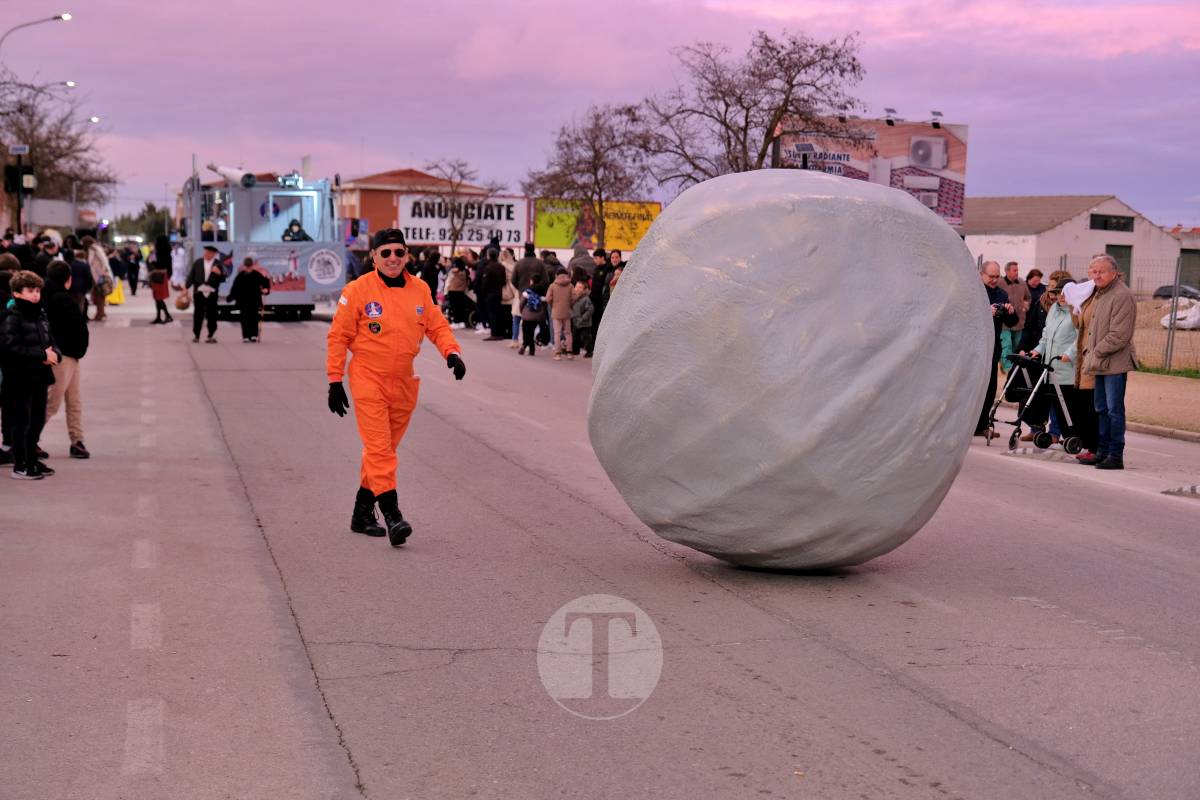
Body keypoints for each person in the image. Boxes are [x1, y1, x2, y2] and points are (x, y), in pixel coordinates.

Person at [326, 229, 465, 546]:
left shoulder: (420, 289)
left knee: (383, 451)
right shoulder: (357, 290)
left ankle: (361, 513)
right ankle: (392, 515)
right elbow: (338, 337)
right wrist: (335, 380)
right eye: (385, 253)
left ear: (406, 255)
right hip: (368, 379)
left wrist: (452, 353)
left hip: (403, 382)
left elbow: (437, 325)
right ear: (373, 256)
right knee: (379, 450)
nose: (393, 258)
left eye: (399, 252)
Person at [1078, 254, 1137, 470]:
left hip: (1114, 362)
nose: (1096, 276)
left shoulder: (1122, 295)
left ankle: (1115, 454)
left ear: (1114, 273)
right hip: (1100, 362)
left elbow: (1119, 335)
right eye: (1093, 272)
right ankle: (1102, 451)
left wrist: (1095, 352)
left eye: (1101, 272)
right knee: (1101, 408)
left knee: (1114, 410)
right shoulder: (1100, 294)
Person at [0, 271, 59, 479]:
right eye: (30, 291)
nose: (35, 295)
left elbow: (50, 340)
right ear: (16, 293)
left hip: (40, 375)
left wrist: (55, 354)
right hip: (20, 377)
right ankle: (20, 465)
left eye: (37, 291)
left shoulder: (40, 314)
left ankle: (32, 459)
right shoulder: (11, 317)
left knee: (37, 419)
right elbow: (10, 347)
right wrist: (42, 354)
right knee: (22, 421)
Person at [42, 260, 91, 459]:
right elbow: (75, 327)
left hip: (67, 354)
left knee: (73, 399)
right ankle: (27, 439)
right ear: (68, 280)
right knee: (52, 402)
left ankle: (77, 439)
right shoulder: (62, 299)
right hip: (64, 356)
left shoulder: (46, 296)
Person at [975, 261, 1017, 436]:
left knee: (990, 388)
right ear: (981, 275)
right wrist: (986, 311)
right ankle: (967, 426)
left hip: (993, 347)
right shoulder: (974, 292)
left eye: (997, 276)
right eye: (991, 276)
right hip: (974, 347)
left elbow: (1011, 323)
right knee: (973, 387)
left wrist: (1010, 312)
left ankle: (982, 425)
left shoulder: (1002, 294)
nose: (994, 280)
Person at [186, 244, 225, 343]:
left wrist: (219, 273)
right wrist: (186, 287)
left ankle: (211, 335)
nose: (206, 254)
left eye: (209, 252)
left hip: (212, 292)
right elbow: (191, 276)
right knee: (198, 314)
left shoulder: (218, 264)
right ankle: (196, 335)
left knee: (212, 314)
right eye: (206, 252)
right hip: (199, 291)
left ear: (214, 254)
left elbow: (223, 278)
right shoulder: (198, 262)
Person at [228, 257, 271, 342]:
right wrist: (231, 297)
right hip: (243, 300)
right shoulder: (240, 276)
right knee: (244, 318)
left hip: (254, 300)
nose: (248, 268)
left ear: (252, 266)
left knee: (254, 318)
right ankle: (246, 336)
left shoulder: (257, 275)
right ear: (244, 266)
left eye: (250, 266)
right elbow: (235, 288)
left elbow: (265, 283)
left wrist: (266, 289)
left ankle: (254, 335)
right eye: (247, 266)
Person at [999, 261, 1031, 373]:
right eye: (1014, 270)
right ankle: (1007, 368)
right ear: (1007, 271)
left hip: (1019, 322)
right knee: (1007, 344)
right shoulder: (1000, 283)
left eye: (1017, 270)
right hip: (1004, 323)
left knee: (1017, 346)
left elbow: (1028, 297)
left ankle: (1012, 366)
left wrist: (1026, 305)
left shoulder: (1022, 282)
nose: (1017, 272)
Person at [545, 267, 575, 360]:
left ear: (556, 275)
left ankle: (557, 353)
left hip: (556, 311)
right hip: (567, 311)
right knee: (568, 333)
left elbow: (548, 299)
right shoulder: (570, 285)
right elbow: (574, 298)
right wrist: (569, 305)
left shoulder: (553, 285)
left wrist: (553, 305)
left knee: (557, 333)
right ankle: (569, 352)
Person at [82, 236, 113, 322]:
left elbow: (104, 260)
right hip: (95, 276)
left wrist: (104, 272)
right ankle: (101, 313)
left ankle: (100, 314)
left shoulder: (94, 248)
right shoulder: (92, 249)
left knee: (99, 296)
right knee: (98, 296)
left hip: (99, 276)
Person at [481, 247, 509, 341]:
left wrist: (483, 293)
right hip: (499, 292)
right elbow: (504, 281)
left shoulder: (488, 267)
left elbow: (485, 283)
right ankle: (499, 333)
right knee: (497, 313)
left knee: (492, 314)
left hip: (490, 293)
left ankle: (494, 333)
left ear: (489, 256)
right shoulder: (501, 267)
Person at [519, 274, 547, 356]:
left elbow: (522, 303)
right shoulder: (543, 291)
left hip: (527, 314)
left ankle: (525, 345)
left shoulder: (527, 291)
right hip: (538, 315)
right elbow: (545, 304)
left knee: (526, 331)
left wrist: (522, 311)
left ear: (532, 281)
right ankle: (531, 349)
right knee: (531, 331)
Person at [444, 256, 471, 328]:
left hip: (453, 290)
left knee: (454, 308)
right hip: (461, 291)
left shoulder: (454, 271)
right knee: (460, 307)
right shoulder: (465, 271)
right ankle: (461, 322)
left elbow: (449, 277)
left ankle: (456, 322)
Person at [571, 280, 594, 358]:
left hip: (584, 323)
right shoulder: (574, 298)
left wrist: (583, 318)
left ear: (584, 290)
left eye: (580, 287)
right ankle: (575, 350)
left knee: (586, 338)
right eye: (576, 286)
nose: (577, 289)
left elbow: (590, 309)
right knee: (575, 337)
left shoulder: (586, 299)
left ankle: (589, 351)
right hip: (576, 321)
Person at [149, 256, 174, 324]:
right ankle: (159, 317)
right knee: (157, 298)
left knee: (159, 298)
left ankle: (167, 316)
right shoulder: (157, 253)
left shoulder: (163, 253)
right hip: (157, 275)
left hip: (160, 276)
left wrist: (152, 262)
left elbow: (164, 266)